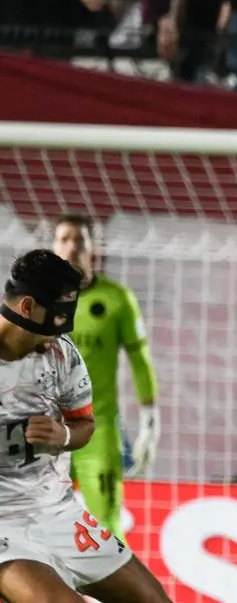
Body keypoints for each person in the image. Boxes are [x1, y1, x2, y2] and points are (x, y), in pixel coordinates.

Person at [0, 250, 200, 603]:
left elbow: (84, 425)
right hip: (2, 526)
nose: (64, 331)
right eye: (58, 316)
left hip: (56, 508)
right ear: (26, 306)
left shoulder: (60, 355)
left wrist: (62, 437)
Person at [52, 213, 161, 541]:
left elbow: (140, 360)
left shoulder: (116, 298)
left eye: (79, 240)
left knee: (107, 529)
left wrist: (151, 420)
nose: (71, 246)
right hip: (44, 433)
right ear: (53, 247)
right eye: (64, 239)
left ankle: (107, 594)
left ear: (92, 247)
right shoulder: (33, 301)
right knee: (34, 529)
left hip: (97, 432)